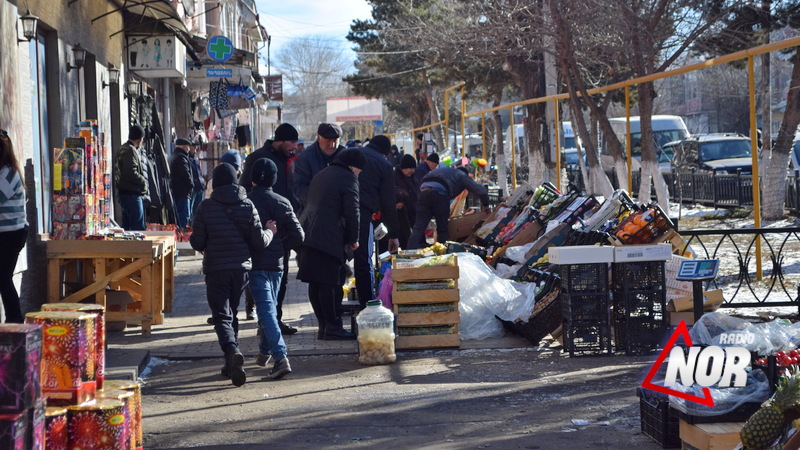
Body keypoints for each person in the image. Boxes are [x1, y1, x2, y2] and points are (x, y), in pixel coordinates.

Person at [190, 162, 274, 387]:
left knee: (221, 316)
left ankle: (231, 351)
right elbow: (259, 241)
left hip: (216, 269)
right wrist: (270, 231)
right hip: (241, 271)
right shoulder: (248, 205)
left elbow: (197, 241)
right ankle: (231, 365)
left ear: (215, 183)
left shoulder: (205, 207)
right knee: (232, 314)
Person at [239, 123, 300, 334]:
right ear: (280, 140)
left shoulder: (289, 161)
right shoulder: (258, 157)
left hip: (281, 229)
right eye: (292, 141)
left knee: (280, 278)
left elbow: (291, 190)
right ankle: (260, 316)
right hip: (259, 225)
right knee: (257, 273)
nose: (295, 146)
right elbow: (244, 189)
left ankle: (275, 320)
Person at [297, 149, 364, 340]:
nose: (359, 174)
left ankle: (324, 327)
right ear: (352, 166)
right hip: (328, 237)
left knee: (316, 282)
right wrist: (354, 238)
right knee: (330, 283)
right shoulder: (348, 179)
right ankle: (333, 328)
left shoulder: (322, 174)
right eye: (359, 170)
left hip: (309, 234)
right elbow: (353, 212)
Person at [247, 158, 304, 379]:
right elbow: (299, 235)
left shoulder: (247, 202)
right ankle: (263, 352)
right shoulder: (282, 202)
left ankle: (280, 357)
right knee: (267, 308)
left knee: (266, 310)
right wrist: (280, 246)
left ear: (252, 178)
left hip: (255, 264)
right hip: (277, 265)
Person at [354, 135, 399, 306]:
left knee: (337, 261)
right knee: (363, 261)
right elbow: (389, 202)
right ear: (385, 153)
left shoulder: (352, 153)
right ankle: (367, 304)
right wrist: (393, 235)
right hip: (363, 215)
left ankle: (334, 309)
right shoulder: (385, 165)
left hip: (337, 212)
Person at [408, 166, 491, 249]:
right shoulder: (462, 176)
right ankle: (441, 254)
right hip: (440, 195)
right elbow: (481, 191)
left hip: (423, 194)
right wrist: (485, 205)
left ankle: (408, 254)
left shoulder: (445, 171)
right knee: (442, 229)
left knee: (418, 228)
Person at [0, 130, 27, 323]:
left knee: (3, 278)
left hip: (12, 235)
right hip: (6, 233)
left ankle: (15, 322)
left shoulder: (8, 173)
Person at [292, 123, 345, 211]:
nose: (332, 145)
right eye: (328, 141)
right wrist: (323, 196)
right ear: (319, 138)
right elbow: (298, 188)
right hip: (314, 212)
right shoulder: (305, 158)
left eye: (335, 141)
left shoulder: (345, 156)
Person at [114, 125, 148, 230]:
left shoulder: (122, 148)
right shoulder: (131, 150)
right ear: (140, 138)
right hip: (132, 194)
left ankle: (129, 247)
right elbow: (130, 172)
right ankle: (137, 247)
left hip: (123, 193)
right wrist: (143, 181)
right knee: (138, 228)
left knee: (127, 228)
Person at [394, 154, 419, 249]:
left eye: (413, 168)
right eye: (410, 168)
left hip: (412, 211)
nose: (412, 170)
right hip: (400, 214)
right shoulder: (394, 177)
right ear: (403, 168)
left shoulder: (413, 178)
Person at [170, 138, 195, 229]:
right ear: (184, 146)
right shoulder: (181, 157)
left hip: (176, 191)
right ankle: (181, 235)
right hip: (182, 192)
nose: (189, 149)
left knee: (179, 215)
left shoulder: (174, 155)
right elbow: (184, 173)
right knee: (184, 216)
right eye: (188, 146)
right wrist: (191, 185)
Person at [189, 141, 206, 226]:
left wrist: (203, 183)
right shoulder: (188, 158)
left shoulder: (195, 158)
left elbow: (199, 172)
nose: (195, 148)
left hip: (200, 187)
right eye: (194, 146)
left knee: (198, 210)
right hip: (194, 188)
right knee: (191, 211)